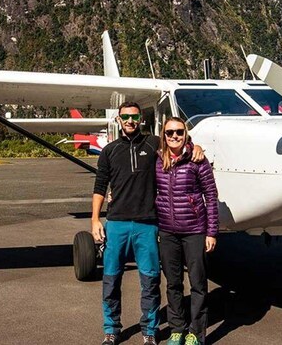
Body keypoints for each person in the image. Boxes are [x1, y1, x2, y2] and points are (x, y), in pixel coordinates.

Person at [92, 102, 204, 345]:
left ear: (140, 118)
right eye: (125, 117)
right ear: (118, 120)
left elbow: (177, 143)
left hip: (148, 224)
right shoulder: (109, 151)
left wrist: (197, 147)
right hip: (117, 222)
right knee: (111, 279)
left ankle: (150, 330)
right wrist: (94, 220)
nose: (130, 121)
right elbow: (100, 186)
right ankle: (111, 328)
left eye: (134, 116)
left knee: (150, 280)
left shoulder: (153, 143)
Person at [155, 117, 218, 345]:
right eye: (170, 132)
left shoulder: (197, 159)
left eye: (179, 132)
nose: (174, 136)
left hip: (194, 230)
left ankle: (196, 332)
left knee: (198, 283)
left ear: (186, 134)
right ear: (164, 135)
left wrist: (211, 232)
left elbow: (211, 197)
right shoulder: (158, 159)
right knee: (173, 283)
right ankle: (177, 329)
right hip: (168, 232)